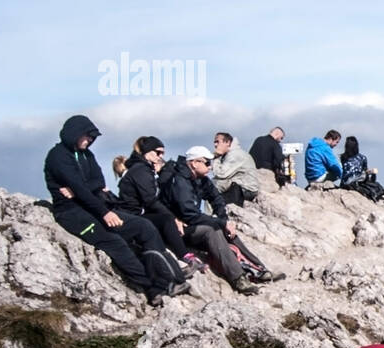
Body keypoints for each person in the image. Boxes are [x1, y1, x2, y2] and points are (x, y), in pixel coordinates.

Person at [42, 115, 188, 307]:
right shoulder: (58, 156)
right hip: (72, 213)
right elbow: (82, 188)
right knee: (115, 242)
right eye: (85, 136)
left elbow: (97, 183)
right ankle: (152, 288)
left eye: (91, 137)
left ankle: (167, 277)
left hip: (94, 205)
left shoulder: (87, 155)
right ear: (73, 134)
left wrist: (79, 189)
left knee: (144, 226)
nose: (89, 140)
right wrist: (100, 208)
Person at [158, 146, 283, 294]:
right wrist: (221, 223)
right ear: (194, 163)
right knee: (211, 231)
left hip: (190, 223)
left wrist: (225, 221)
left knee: (226, 230)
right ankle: (238, 279)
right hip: (176, 229)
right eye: (206, 163)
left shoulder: (200, 179)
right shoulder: (180, 181)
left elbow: (216, 199)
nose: (210, 167)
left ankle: (259, 269)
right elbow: (188, 214)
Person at [117, 136, 199, 274]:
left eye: (163, 153)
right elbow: (150, 200)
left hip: (137, 213)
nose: (161, 156)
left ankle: (183, 256)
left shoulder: (143, 168)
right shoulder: (140, 170)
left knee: (164, 219)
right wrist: (173, 218)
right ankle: (184, 257)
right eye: (158, 152)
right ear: (147, 151)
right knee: (166, 220)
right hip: (130, 215)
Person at [211, 132, 261, 206]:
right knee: (212, 183)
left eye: (217, 142)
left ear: (227, 142)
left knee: (212, 186)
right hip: (240, 186)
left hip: (245, 189)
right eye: (214, 142)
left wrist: (216, 157)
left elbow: (221, 174)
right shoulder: (230, 154)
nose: (215, 145)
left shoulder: (235, 154)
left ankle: (210, 215)